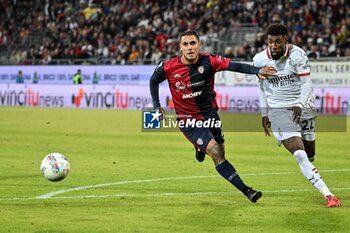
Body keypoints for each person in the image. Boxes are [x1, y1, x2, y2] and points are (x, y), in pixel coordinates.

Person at [149, 30, 276, 203]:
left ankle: (199, 148)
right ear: (180, 47)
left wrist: (256, 71)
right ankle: (247, 191)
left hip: (210, 115)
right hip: (189, 120)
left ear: (199, 45)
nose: (189, 48)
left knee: (221, 151)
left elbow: (234, 65)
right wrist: (157, 105)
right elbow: (153, 80)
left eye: (193, 43)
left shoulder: (210, 61)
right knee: (217, 153)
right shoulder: (168, 67)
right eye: (185, 44)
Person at [254, 23, 341, 208]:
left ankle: (311, 170)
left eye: (278, 42)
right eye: (270, 42)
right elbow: (261, 87)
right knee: (300, 154)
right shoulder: (260, 60)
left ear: (286, 40)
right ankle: (329, 195)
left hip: (303, 107)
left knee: (310, 155)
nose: (274, 46)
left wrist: (300, 105)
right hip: (278, 111)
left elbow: (307, 84)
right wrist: (264, 113)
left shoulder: (297, 55)